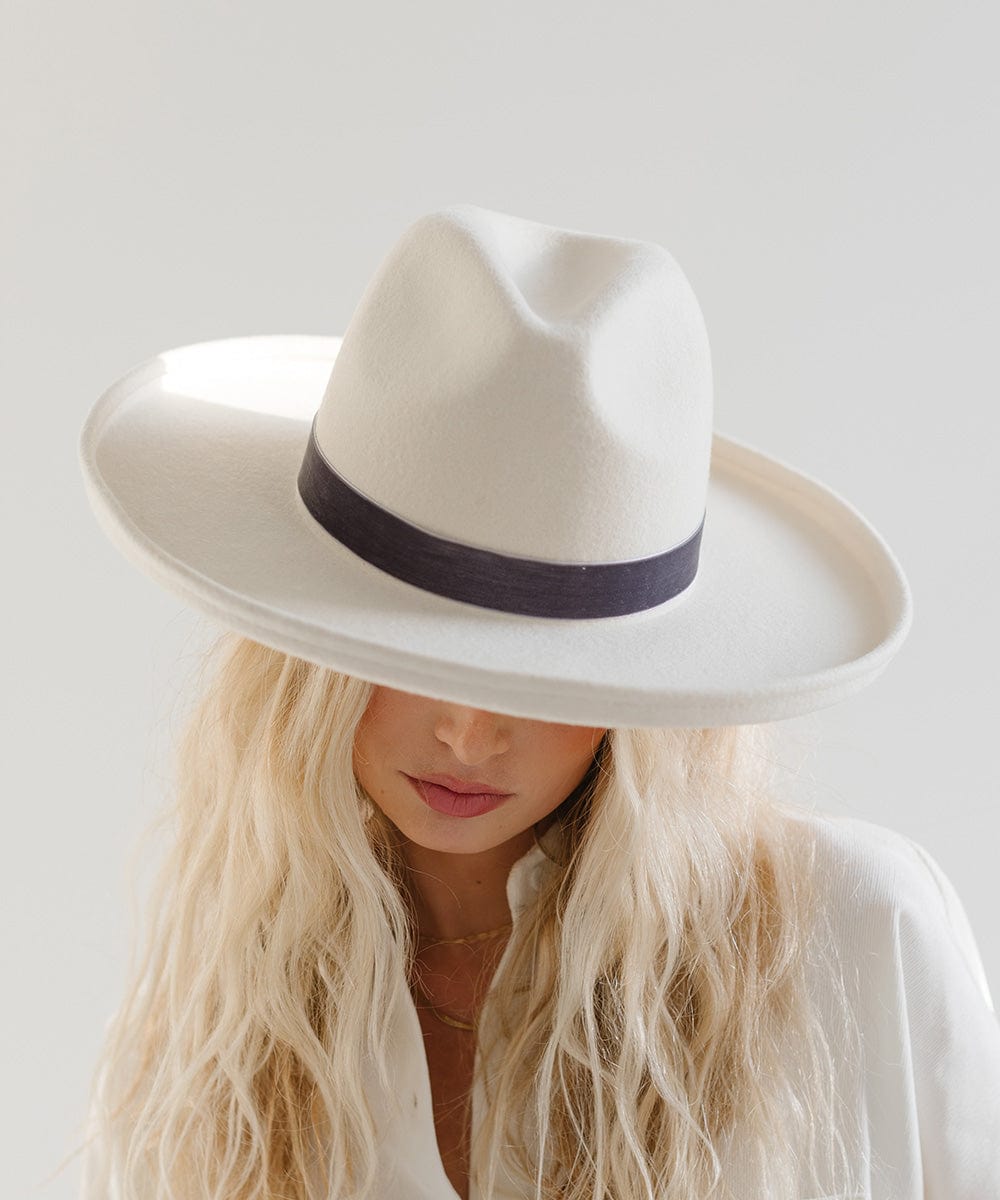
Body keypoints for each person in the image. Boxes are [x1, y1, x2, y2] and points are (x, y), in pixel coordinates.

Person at [75, 204, 1000, 1200]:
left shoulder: (851, 933)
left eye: (547, 678)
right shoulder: (229, 1023)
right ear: (309, 660)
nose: (469, 734)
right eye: (410, 654)